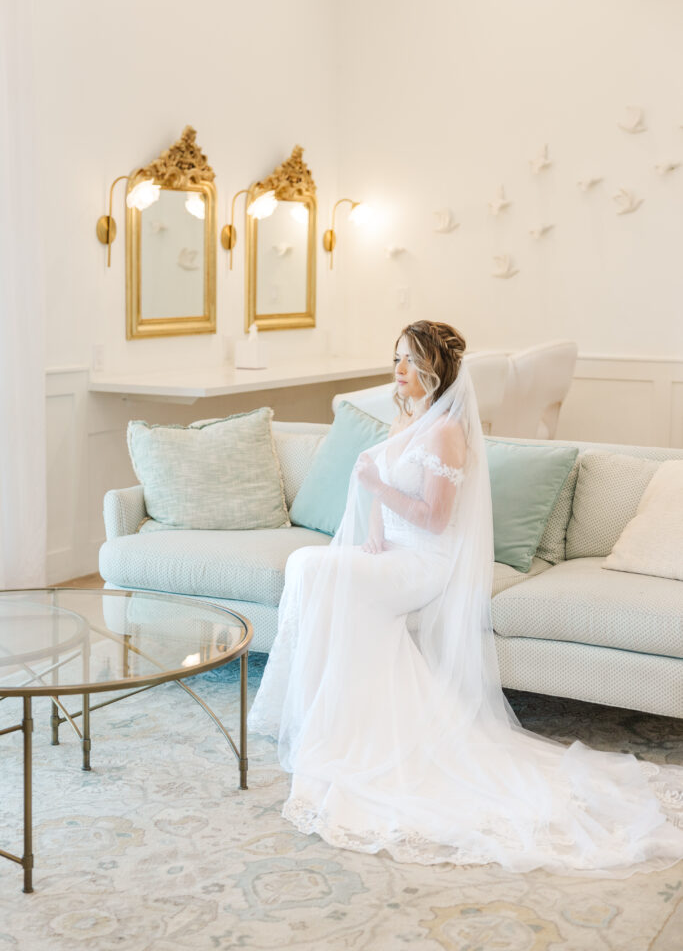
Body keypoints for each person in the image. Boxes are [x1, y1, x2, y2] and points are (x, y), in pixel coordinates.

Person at [248, 320, 683, 875]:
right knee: (313, 569)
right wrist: (374, 532)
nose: (397, 369)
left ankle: (359, 725)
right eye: (396, 357)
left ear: (433, 369)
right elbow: (383, 484)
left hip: (427, 564)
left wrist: (377, 489)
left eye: (407, 360)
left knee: (309, 565)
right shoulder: (408, 417)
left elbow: (434, 517)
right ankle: (335, 718)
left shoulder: (445, 433)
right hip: (395, 554)